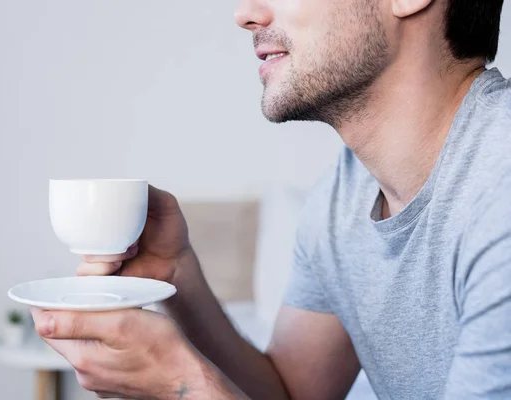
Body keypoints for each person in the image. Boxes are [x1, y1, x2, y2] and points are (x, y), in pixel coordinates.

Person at [31, 0, 510, 398]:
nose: (246, 14)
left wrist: (184, 384)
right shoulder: (343, 198)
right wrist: (177, 274)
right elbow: (291, 392)